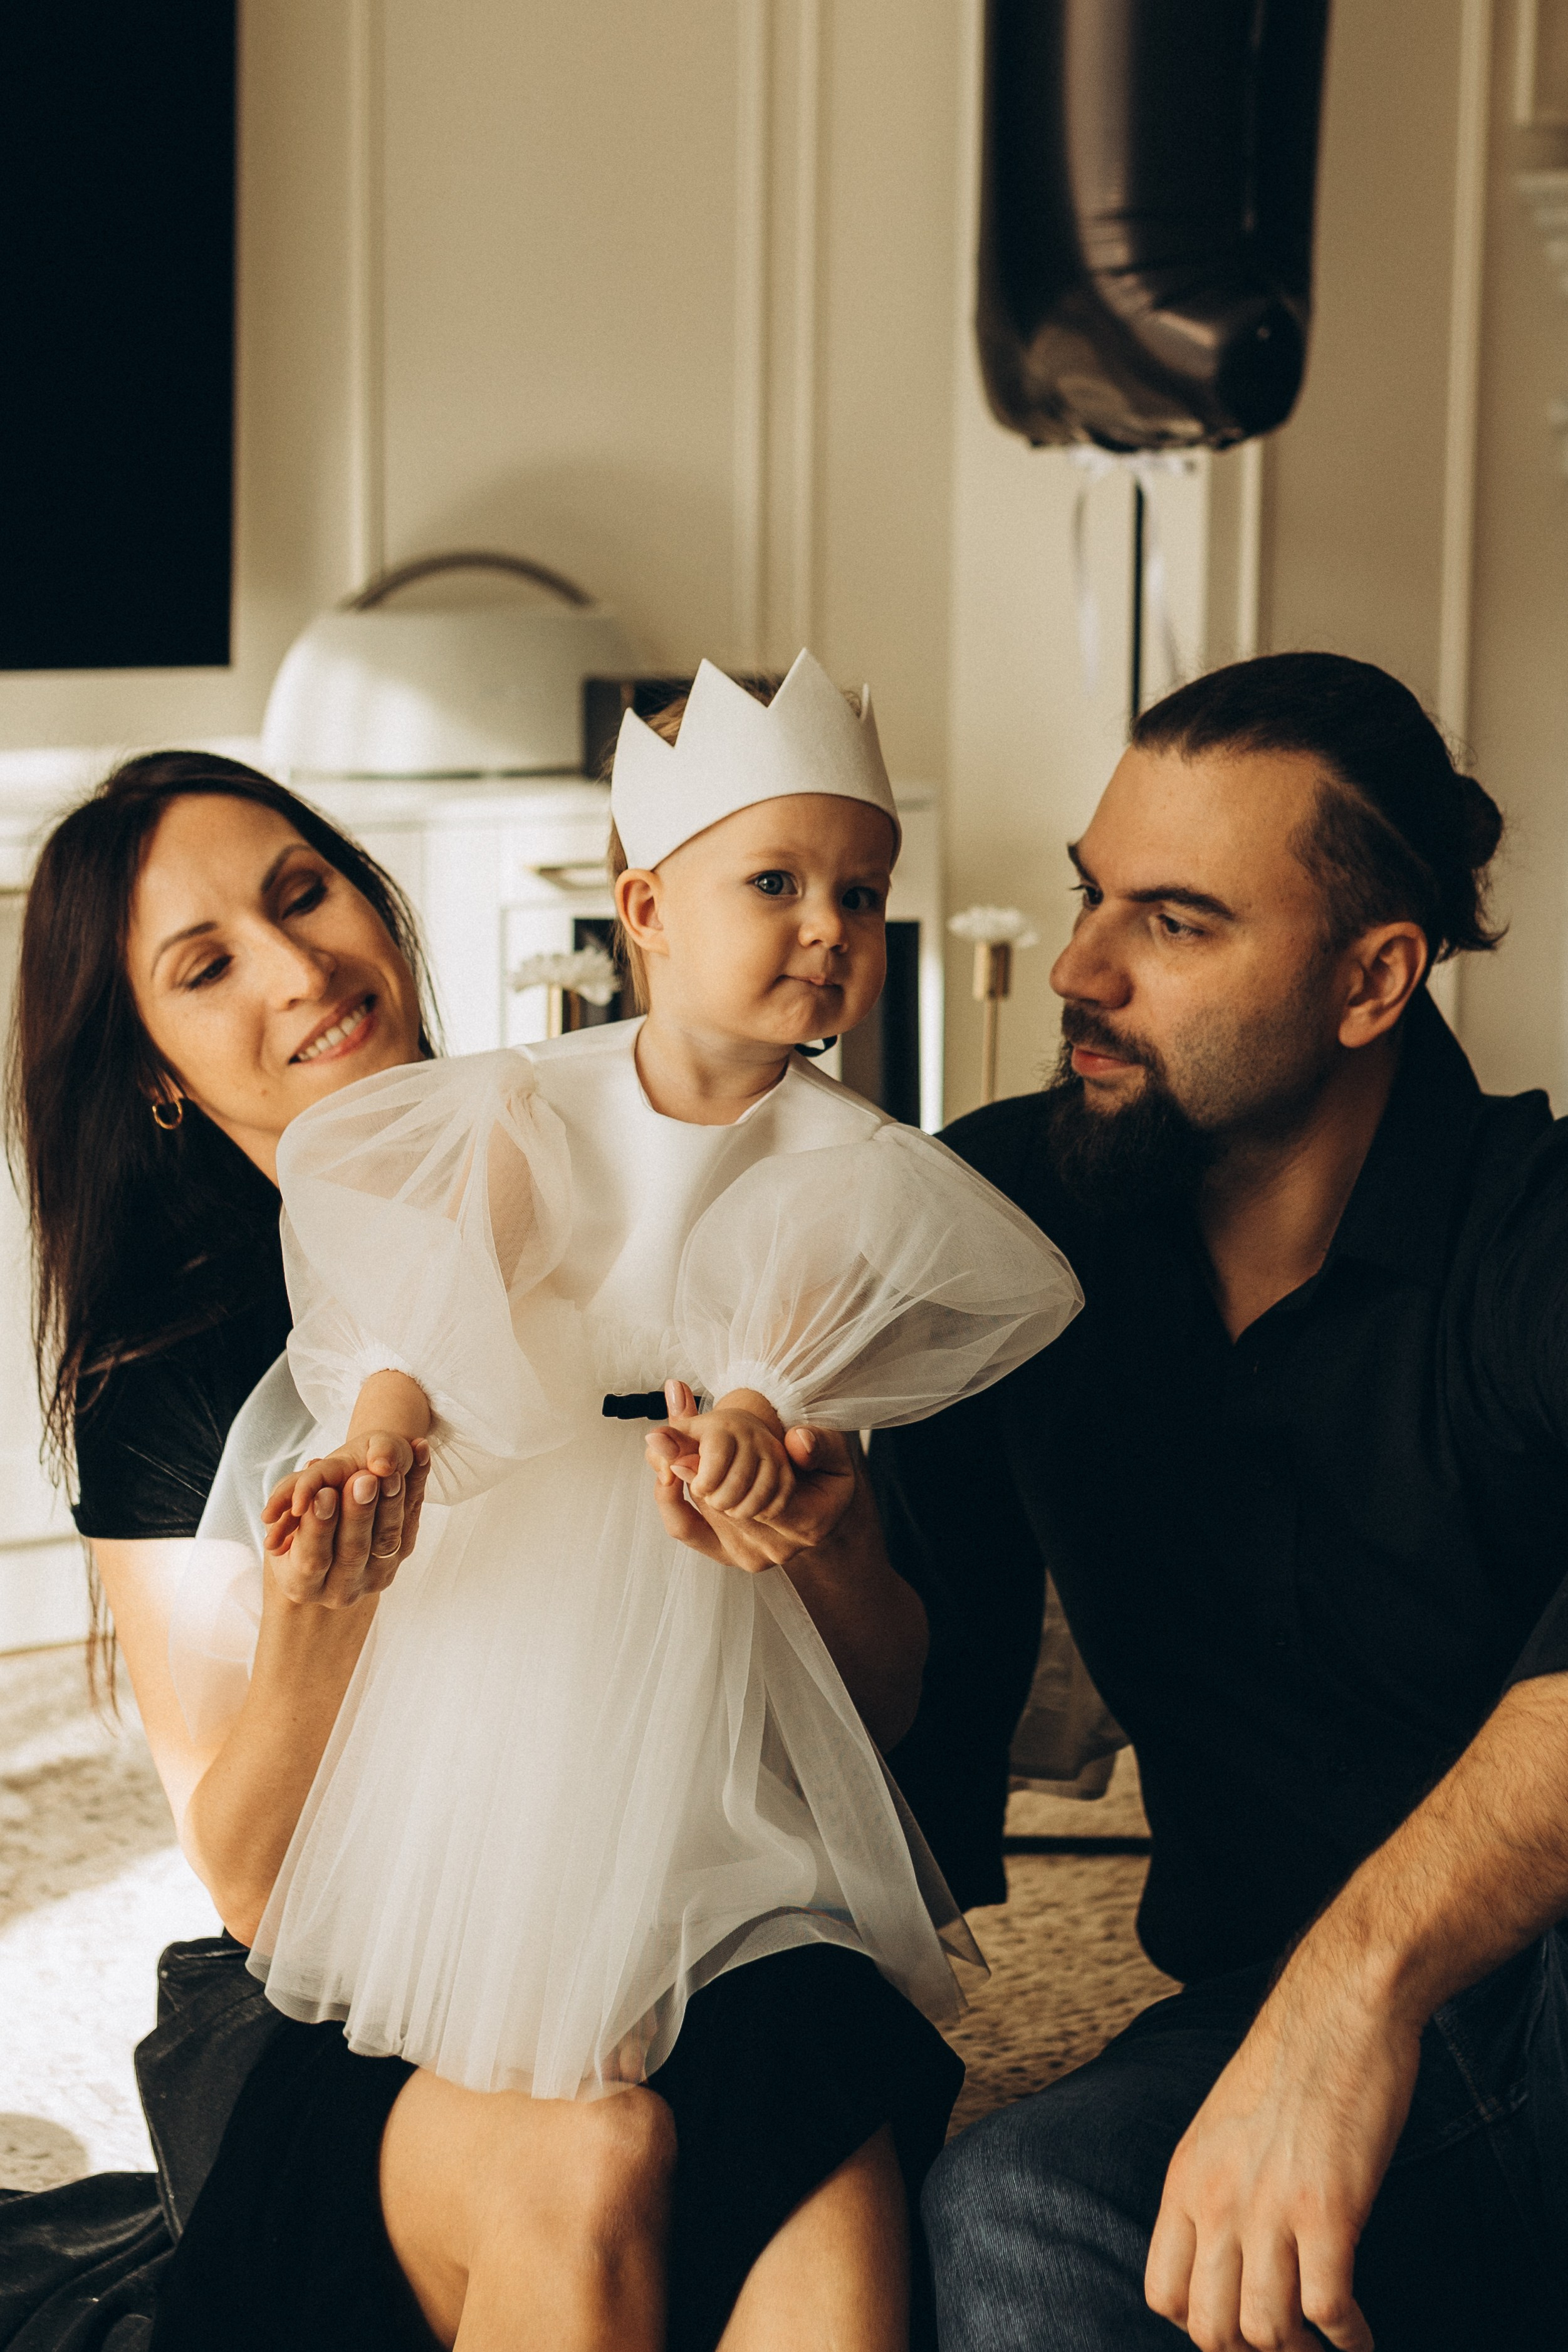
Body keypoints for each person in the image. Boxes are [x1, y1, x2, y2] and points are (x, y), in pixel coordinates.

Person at [147, 648, 1080, 2352]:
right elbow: (428, 1310)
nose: (825, 929)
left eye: (860, 895)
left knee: (739, 1927)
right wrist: (373, 1441)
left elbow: (783, 1376)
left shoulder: (854, 1169)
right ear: (644, 907)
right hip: (520, 1591)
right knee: (524, 1947)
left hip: (707, 1624)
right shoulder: (521, 1102)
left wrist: (749, 1442)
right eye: (776, 884)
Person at [722, 653, 1568, 2351]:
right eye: (1088, 895)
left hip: (1526, 1983)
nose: (1078, 969)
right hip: (1251, 2011)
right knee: (1014, 2215)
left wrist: (1355, 1998)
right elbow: (930, 1725)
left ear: (1369, 976)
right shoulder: (1000, 1213)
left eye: (1173, 922)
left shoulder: (1530, 1234)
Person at [2, 750, 439, 2347]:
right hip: (336, 1970)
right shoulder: (167, 1376)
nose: (303, 967)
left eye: (304, 892)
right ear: (159, 1072)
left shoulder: (604, 1191)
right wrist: (327, 1615)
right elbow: (250, 1876)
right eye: (208, 965)